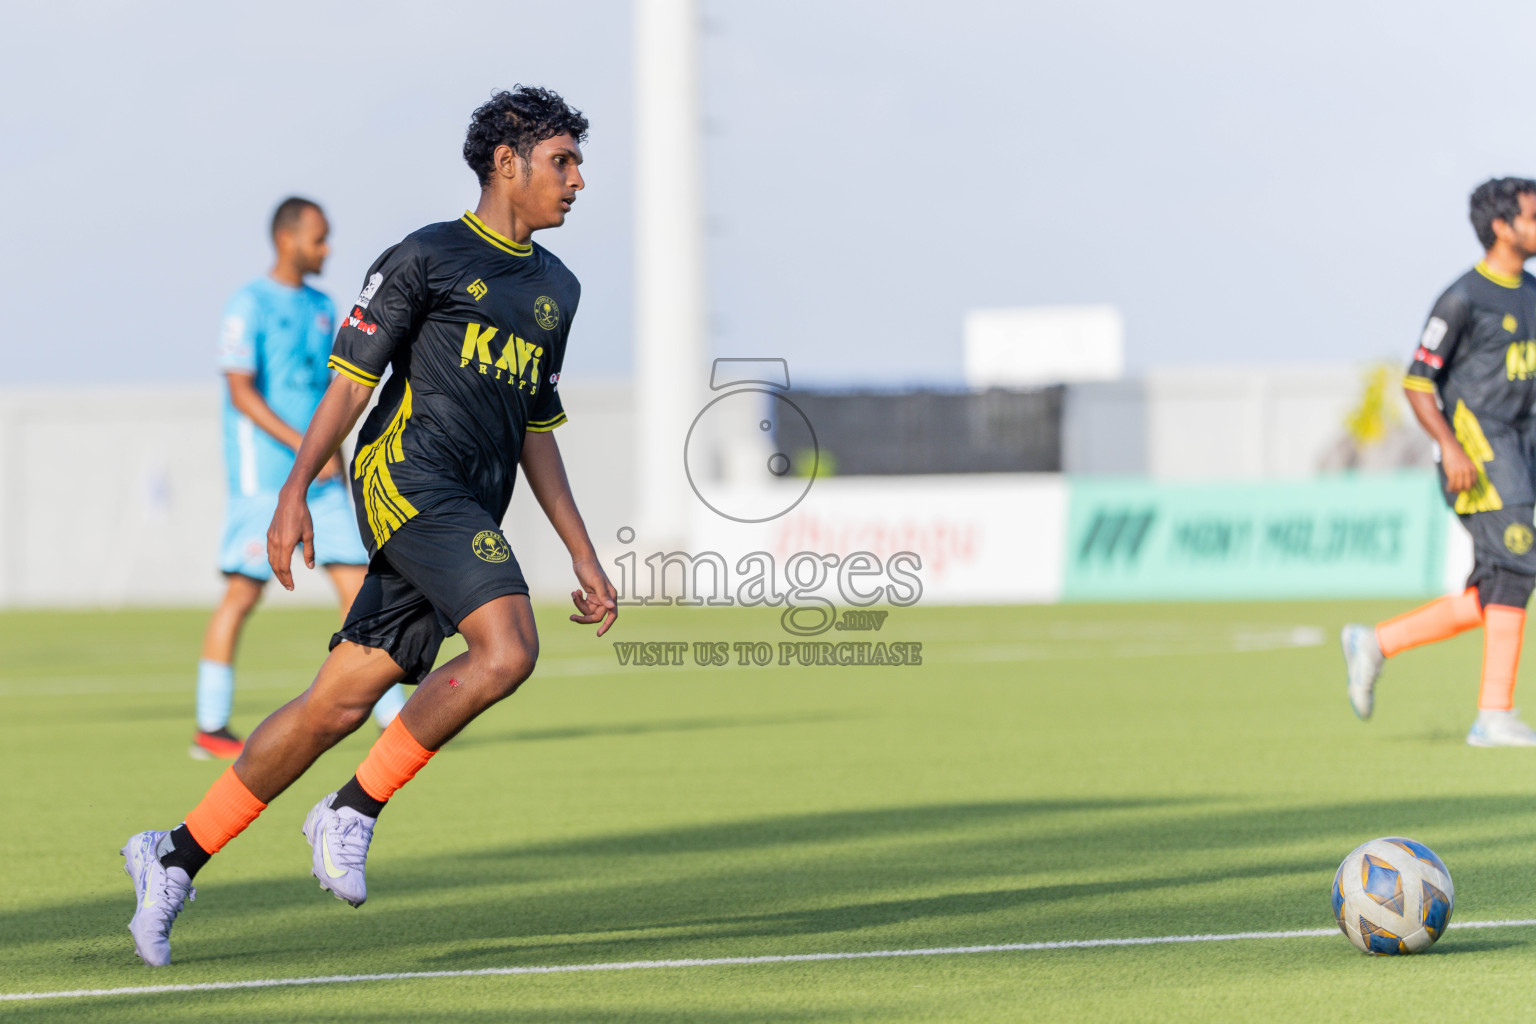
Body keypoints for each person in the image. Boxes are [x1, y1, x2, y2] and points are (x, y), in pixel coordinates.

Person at [122, 86, 616, 967]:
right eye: (562, 162)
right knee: (507, 650)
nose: (579, 180)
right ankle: (351, 810)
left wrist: (582, 551)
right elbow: (349, 384)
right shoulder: (424, 256)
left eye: (577, 163)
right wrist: (293, 492)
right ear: (508, 164)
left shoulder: (558, 290)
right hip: (406, 480)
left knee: (336, 704)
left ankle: (172, 853)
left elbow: (539, 430)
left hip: (473, 499)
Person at [198, 197, 408, 760]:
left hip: (323, 477)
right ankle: (210, 724)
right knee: (242, 594)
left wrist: (330, 452)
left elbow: (338, 390)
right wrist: (302, 448)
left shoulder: (324, 305)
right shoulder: (248, 303)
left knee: (361, 586)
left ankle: (389, 715)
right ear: (288, 240)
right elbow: (240, 391)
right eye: (319, 238)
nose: (327, 248)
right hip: (265, 479)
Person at [1342, 177, 1536, 746]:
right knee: (1521, 563)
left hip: (1521, 450)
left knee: (1499, 585)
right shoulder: (1462, 299)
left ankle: (1376, 642)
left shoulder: (1531, 292)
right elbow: (1418, 380)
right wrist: (1450, 446)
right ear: (1502, 227)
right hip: (1476, 451)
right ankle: (1493, 715)